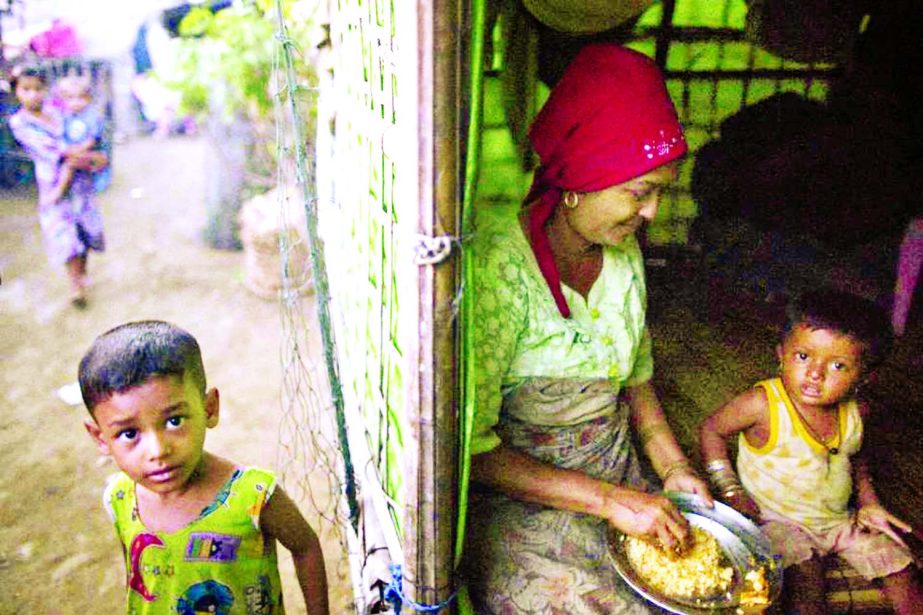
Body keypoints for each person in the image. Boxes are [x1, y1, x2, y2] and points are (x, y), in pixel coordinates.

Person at [465, 43, 712, 614]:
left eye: (660, 192)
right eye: (640, 191)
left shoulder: (623, 257)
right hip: (526, 498)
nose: (652, 212)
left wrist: (674, 470)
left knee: (699, 587)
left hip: (619, 478)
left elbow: (637, 383)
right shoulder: (500, 267)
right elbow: (475, 454)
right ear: (580, 180)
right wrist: (610, 502)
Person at [79, 320, 330, 614]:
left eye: (174, 421)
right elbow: (137, 572)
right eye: (129, 434)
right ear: (101, 438)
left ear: (209, 408)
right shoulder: (120, 498)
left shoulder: (252, 496)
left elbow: (305, 547)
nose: (158, 451)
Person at [699, 289, 922, 615]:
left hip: (839, 523)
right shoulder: (763, 405)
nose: (815, 374)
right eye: (803, 357)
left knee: (902, 569)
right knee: (804, 586)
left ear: (864, 377)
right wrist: (730, 488)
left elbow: (855, 458)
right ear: (781, 354)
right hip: (777, 521)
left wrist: (869, 503)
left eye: (837, 365)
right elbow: (711, 430)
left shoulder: (858, 411)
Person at [8, 64, 106, 308]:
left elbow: (85, 132)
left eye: (38, 89)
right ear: (17, 92)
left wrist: (93, 154)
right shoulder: (20, 122)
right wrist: (93, 158)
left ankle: (82, 275)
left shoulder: (59, 111)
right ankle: (76, 286)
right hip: (53, 184)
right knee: (64, 235)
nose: (33, 94)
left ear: (46, 90)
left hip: (81, 184)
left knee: (85, 229)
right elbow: (55, 152)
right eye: (26, 89)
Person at [56, 71, 111, 193]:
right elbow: (61, 135)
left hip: (88, 150)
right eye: (70, 98)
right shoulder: (64, 115)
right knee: (67, 164)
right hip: (71, 150)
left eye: (81, 97)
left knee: (88, 164)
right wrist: (67, 148)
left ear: (88, 98)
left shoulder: (92, 116)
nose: (76, 102)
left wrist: (81, 148)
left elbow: (93, 138)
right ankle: (62, 188)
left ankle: (62, 190)